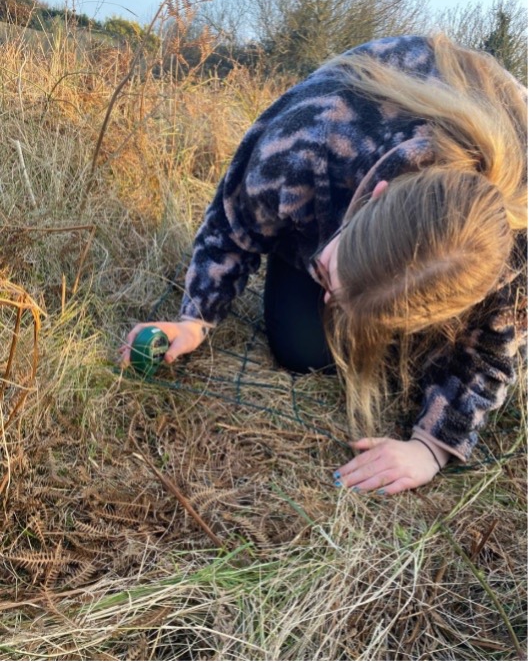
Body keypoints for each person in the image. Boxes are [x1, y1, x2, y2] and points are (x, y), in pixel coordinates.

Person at [121, 34, 527, 495]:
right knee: (301, 349)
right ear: (374, 195)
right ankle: (348, 286)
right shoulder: (311, 134)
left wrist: (432, 446)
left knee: (420, 370)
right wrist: (195, 318)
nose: (333, 304)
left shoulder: (517, 238)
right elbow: (234, 219)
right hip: (344, 156)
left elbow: (494, 349)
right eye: (327, 277)